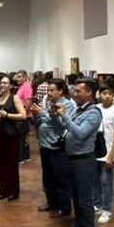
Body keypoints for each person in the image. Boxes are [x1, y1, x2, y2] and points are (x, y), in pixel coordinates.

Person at [47, 78, 102, 227]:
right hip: (72, 159)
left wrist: (66, 117)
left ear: (89, 93)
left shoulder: (93, 113)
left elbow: (80, 133)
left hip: (84, 161)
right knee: (76, 198)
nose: (75, 94)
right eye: (75, 91)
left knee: (85, 199)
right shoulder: (79, 110)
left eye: (78, 91)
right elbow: (64, 128)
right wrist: (55, 116)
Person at [32, 79, 75, 218]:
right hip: (45, 144)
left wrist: (43, 114)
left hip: (57, 146)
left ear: (60, 91)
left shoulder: (67, 105)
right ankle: (52, 202)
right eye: (48, 90)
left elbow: (64, 124)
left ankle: (64, 207)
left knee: (60, 177)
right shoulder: (50, 103)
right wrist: (40, 116)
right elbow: (47, 120)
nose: (48, 93)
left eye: (52, 90)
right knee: (48, 176)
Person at [0, 75, 26, 200]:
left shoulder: (14, 98)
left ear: (11, 86)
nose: (2, 85)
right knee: (0, 162)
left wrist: (7, 115)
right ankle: (3, 189)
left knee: (11, 163)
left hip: (11, 134)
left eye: (5, 83)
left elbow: (23, 115)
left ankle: (13, 190)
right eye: (1, 83)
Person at [94, 83, 114, 224]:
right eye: (104, 93)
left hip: (107, 150)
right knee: (95, 181)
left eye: (110, 93)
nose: (107, 96)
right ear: (99, 94)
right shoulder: (96, 108)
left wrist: (112, 155)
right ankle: (98, 204)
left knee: (106, 181)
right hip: (94, 150)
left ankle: (107, 209)